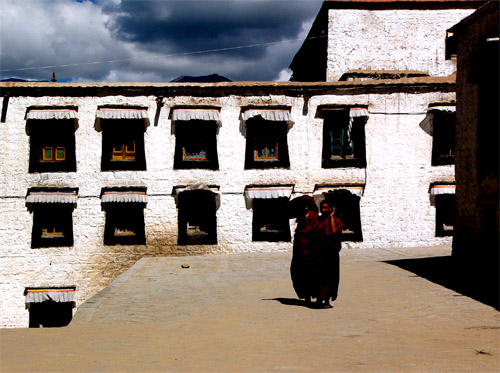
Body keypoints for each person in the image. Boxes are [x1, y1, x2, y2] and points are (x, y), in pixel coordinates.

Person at [287, 195, 320, 304]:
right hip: (299, 251)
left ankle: (315, 294)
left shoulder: (314, 217)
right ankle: (306, 296)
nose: (305, 207)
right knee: (299, 273)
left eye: (307, 205)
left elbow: (315, 233)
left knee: (312, 273)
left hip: (311, 251)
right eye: (303, 205)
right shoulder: (300, 217)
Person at [314, 199, 343, 308]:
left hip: (331, 253)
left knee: (331, 277)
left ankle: (326, 300)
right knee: (319, 277)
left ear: (331, 208)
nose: (324, 210)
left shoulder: (336, 221)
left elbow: (335, 233)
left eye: (326, 208)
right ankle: (319, 298)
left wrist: (331, 217)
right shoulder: (318, 221)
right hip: (319, 253)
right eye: (322, 208)